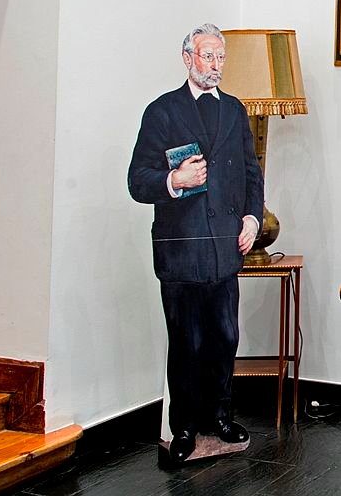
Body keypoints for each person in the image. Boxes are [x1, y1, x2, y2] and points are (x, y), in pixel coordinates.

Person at [128, 23, 264, 462]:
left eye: (221, 57)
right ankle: (184, 427)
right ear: (188, 58)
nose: (216, 65)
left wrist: (252, 218)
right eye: (208, 56)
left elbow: (251, 174)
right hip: (181, 250)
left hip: (225, 248)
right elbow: (137, 180)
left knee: (224, 338)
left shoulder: (235, 111)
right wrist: (175, 179)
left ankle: (219, 419)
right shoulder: (162, 111)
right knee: (187, 343)